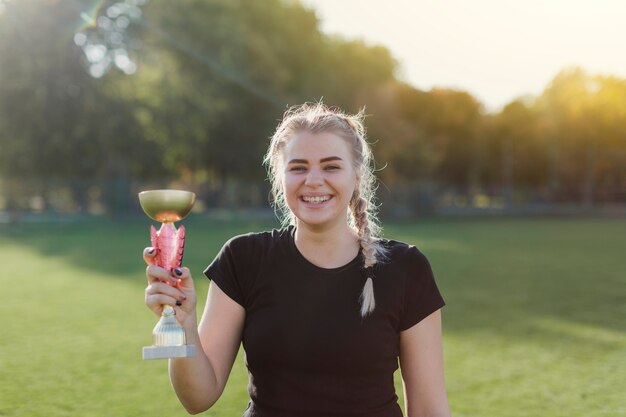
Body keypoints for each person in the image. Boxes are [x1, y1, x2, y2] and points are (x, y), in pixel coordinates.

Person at [143, 103, 451, 417]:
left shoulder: (405, 268)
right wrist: (183, 326)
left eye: (331, 166)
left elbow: (429, 409)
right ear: (281, 178)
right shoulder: (244, 259)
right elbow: (198, 398)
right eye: (299, 167)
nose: (314, 180)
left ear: (357, 176)